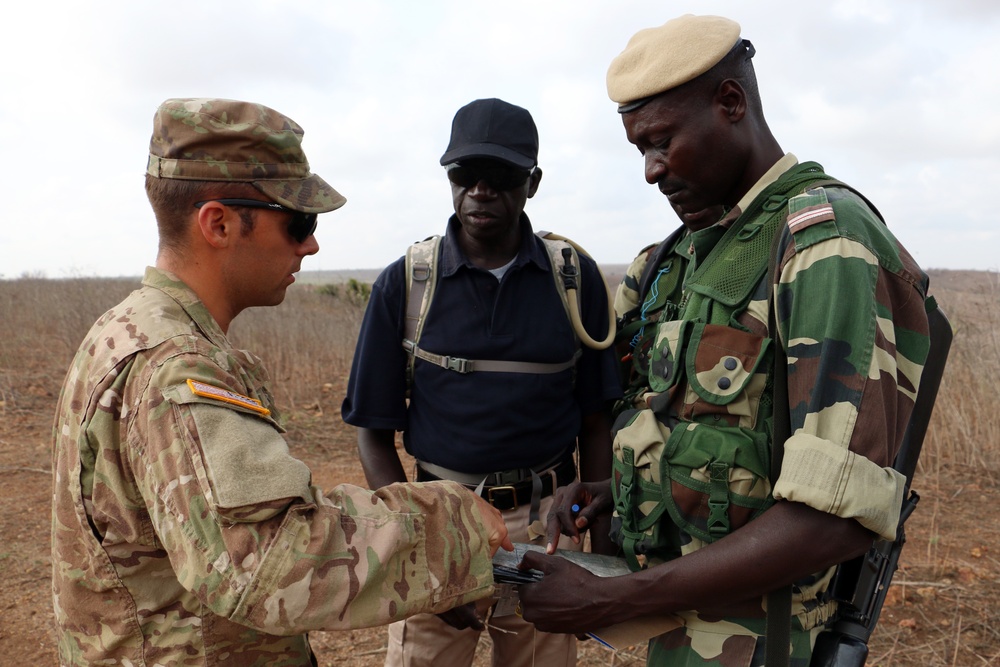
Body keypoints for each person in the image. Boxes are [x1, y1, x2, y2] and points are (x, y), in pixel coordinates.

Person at [517, 15, 932, 666]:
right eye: (639, 150)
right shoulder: (673, 261)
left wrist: (618, 598)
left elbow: (832, 516)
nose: (651, 170)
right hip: (681, 640)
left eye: (661, 141)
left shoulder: (822, 243)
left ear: (731, 103)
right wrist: (609, 488)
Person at [50, 97, 514, 667]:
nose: (311, 245)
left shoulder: (124, 327)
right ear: (217, 223)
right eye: (298, 223)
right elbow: (267, 564)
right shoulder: (179, 366)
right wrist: (455, 520)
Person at [341, 97, 622, 667]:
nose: (481, 191)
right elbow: (374, 434)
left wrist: (603, 552)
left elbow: (597, 422)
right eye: (465, 175)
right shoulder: (407, 284)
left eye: (502, 177)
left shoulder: (573, 279)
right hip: (439, 522)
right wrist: (414, 553)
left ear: (533, 183)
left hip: (547, 527)